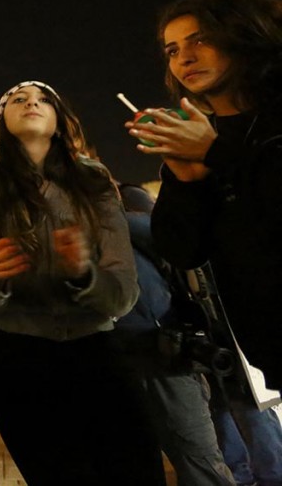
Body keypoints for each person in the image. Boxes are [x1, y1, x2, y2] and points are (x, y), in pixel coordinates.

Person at [0, 81, 165, 485]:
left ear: (59, 118)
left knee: (134, 470)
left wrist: (85, 272)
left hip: (97, 349)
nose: (31, 103)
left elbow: (123, 292)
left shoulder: (93, 180)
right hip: (19, 359)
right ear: (1, 123)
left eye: (43, 99)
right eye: (18, 100)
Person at [128, 0, 282, 391]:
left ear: (244, 36)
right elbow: (183, 250)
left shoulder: (269, 127)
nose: (185, 58)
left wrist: (215, 153)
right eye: (172, 50)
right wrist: (185, 179)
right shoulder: (204, 140)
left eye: (200, 40)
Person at [112, 184, 234, 486]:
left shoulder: (123, 217)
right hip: (126, 352)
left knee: (199, 460)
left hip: (157, 350)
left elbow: (176, 244)